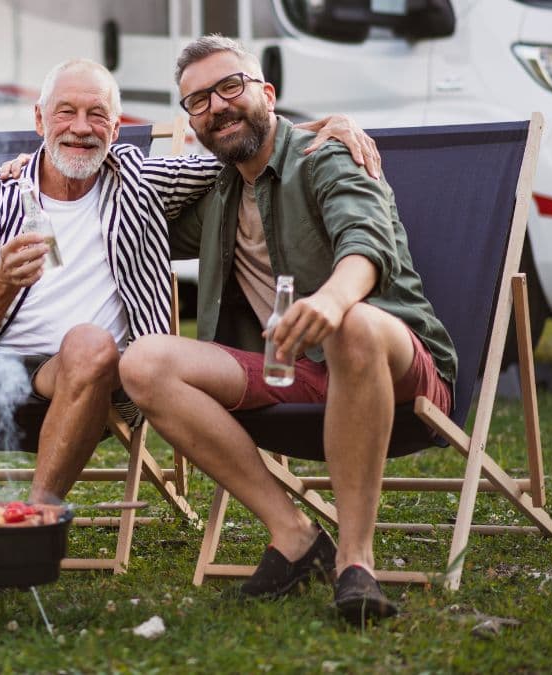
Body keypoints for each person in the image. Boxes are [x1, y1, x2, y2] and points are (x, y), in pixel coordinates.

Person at [0, 57, 373, 598]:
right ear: (39, 120)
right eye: (66, 112)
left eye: (98, 114)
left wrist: (321, 125)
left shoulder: (142, 182)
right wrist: (2, 281)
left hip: (85, 376)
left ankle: (29, 527)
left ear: (116, 125)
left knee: (88, 341)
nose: (82, 128)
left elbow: (245, 148)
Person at [118, 35, 457, 624]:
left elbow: (366, 242)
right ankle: (296, 537)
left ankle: (356, 564)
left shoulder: (325, 156)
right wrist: (39, 163)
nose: (217, 106)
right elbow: (111, 215)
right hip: (292, 374)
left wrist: (332, 302)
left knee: (350, 327)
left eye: (230, 87)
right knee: (143, 362)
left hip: (393, 364)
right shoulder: (217, 190)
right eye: (197, 100)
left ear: (266, 93)